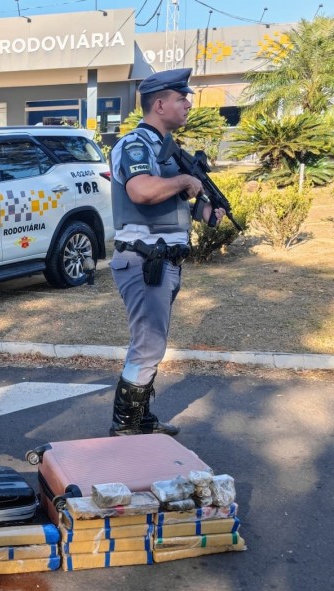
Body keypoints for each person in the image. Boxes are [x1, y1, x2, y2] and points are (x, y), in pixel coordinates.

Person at [108, 68, 225, 437]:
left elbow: (171, 202)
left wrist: (207, 210)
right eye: (181, 98)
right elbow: (142, 191)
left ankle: (141, 420)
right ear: (159, 104)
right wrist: (184, 181)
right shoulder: (136, 145)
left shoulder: (168, 152)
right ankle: (125, 429)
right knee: (147, 347)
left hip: (163, 262)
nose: (188, 104)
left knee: (152, 345)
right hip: (145, 261)